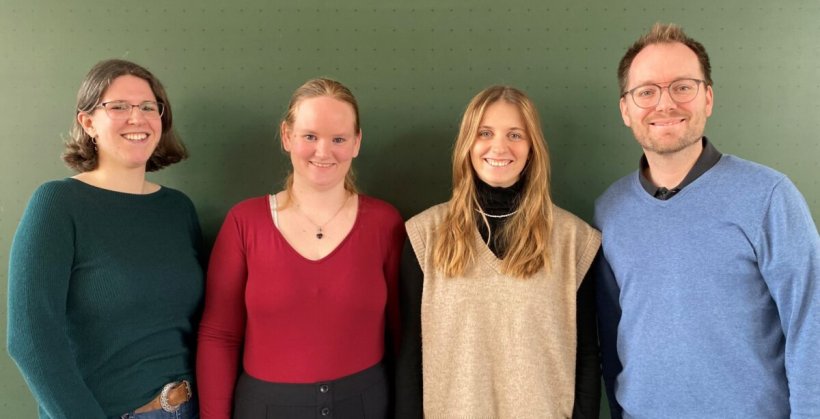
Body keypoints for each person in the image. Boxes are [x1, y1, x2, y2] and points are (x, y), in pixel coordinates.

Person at [595, 23, 820, 418]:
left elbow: (811, 325)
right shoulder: (609, 210)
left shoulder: (768, 197)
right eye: (646, 92)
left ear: (708, 98)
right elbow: (612, 335)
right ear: (625, 110)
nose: (665, 105)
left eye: (683, 87)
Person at [196, 78, 405, 419]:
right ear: (286, 136)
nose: (324, 152)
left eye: (338, 139)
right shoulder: (244, 222)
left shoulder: (385, 223)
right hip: (264, 408)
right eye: (310, 136)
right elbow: (219, 335)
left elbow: (402, 334)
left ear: (357, 143)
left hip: (366, 405)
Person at [7, 59, 203, 418]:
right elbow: (29, 338)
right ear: (88, 122)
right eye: (118, 107)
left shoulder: (177, 209)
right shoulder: (58, 204)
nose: (137, 118)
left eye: (148, 107)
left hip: (189, 409)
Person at [395, 86, 601, 418]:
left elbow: (588, 354)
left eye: (515, 135)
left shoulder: (574, 240)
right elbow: (410, 353)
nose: (499, 146)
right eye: (485, 133)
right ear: (467, 144)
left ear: (532, 147)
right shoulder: (424, 235)